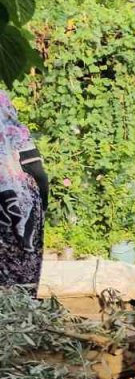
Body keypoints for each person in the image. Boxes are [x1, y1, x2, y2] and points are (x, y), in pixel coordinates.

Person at [0, 91, 49, 293]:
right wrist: (43, 206)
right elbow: (39, 174)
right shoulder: (15, 133)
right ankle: (21, 302)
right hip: (19, 208)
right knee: (21, 274)